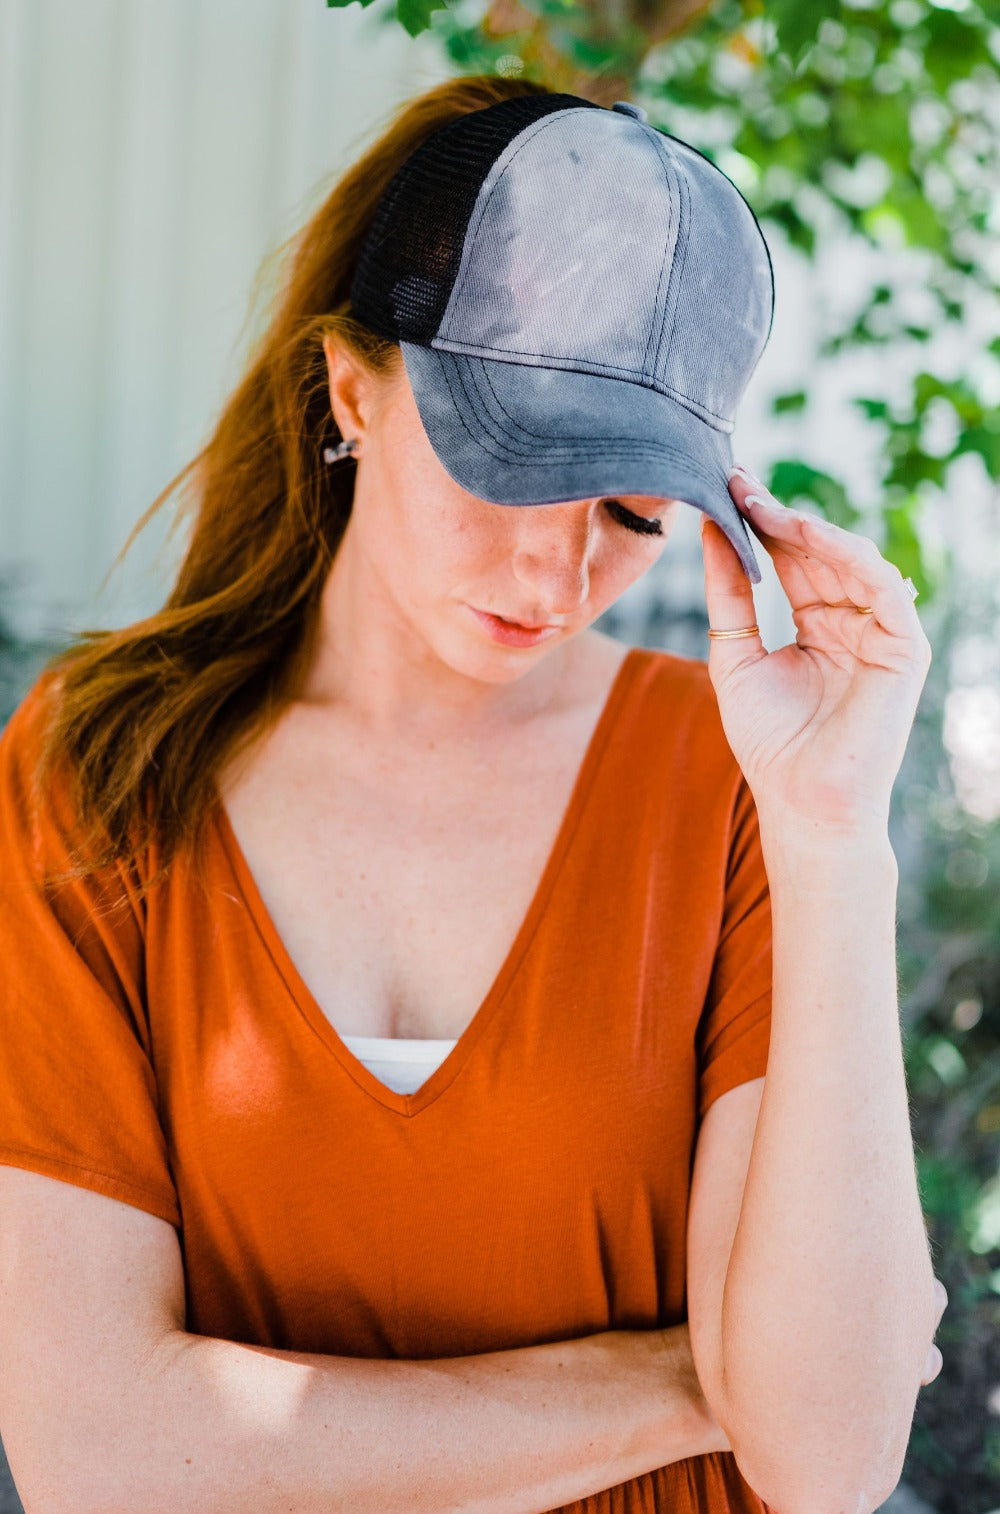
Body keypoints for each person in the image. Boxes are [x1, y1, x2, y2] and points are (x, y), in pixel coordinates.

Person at [0, 74, 947, 1514]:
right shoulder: (99, 769)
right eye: (509, 469)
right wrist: (696, 1379)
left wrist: (833, 837)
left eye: (634, 510)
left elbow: (823, 1458)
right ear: (352, 389)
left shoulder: (741, 784)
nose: (555, 580)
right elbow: (99, 1456)